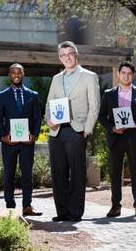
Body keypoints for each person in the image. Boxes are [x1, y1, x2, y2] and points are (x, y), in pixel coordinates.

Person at [45, 41, 101, 222]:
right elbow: (48, 104)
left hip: (77, 131)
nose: (66, 57)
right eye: (62, 55)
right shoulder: (55, 78)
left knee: (77, 173)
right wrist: (49, 120)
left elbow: (95, 105)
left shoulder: (89, 76)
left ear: (76, 54)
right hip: (57, 132)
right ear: (59, 58)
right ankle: (62, 212)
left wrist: (87, 130)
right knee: (58, 173)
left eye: (69, 53)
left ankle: (75, 212)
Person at [98, 61, 136, 217]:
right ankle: (116, 205)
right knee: (115, 172)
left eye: (129, 73)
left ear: (133, 75)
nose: (126, 76)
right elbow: (101, 116)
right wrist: (112, 128)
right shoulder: (109, 94)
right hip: (116, 136)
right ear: (118, 74)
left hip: (134, 136)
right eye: (123, 73)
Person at [0, 63, 42, 216]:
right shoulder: (2, 95)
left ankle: (27, 206)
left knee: (27, 174)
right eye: (13, 72)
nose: (16, 75)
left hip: (27, 143)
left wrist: (34, 135)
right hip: (9, 143)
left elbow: (37, 118)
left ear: (23, 74)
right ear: (9, 75)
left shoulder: (32, 95)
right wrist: (3, 137)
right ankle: (10, 206)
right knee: (9, 174)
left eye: (19, 72)